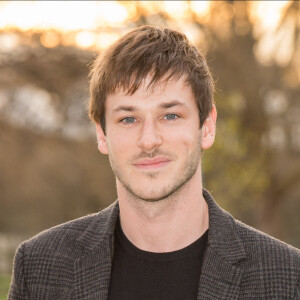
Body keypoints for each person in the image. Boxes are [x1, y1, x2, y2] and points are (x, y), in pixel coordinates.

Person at [8, 25, 299, 300]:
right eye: (128, 119)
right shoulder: (39, 268)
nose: (149, 140)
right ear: (102, 134)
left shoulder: (287, 279)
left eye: (170, 115)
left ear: (207, 126)